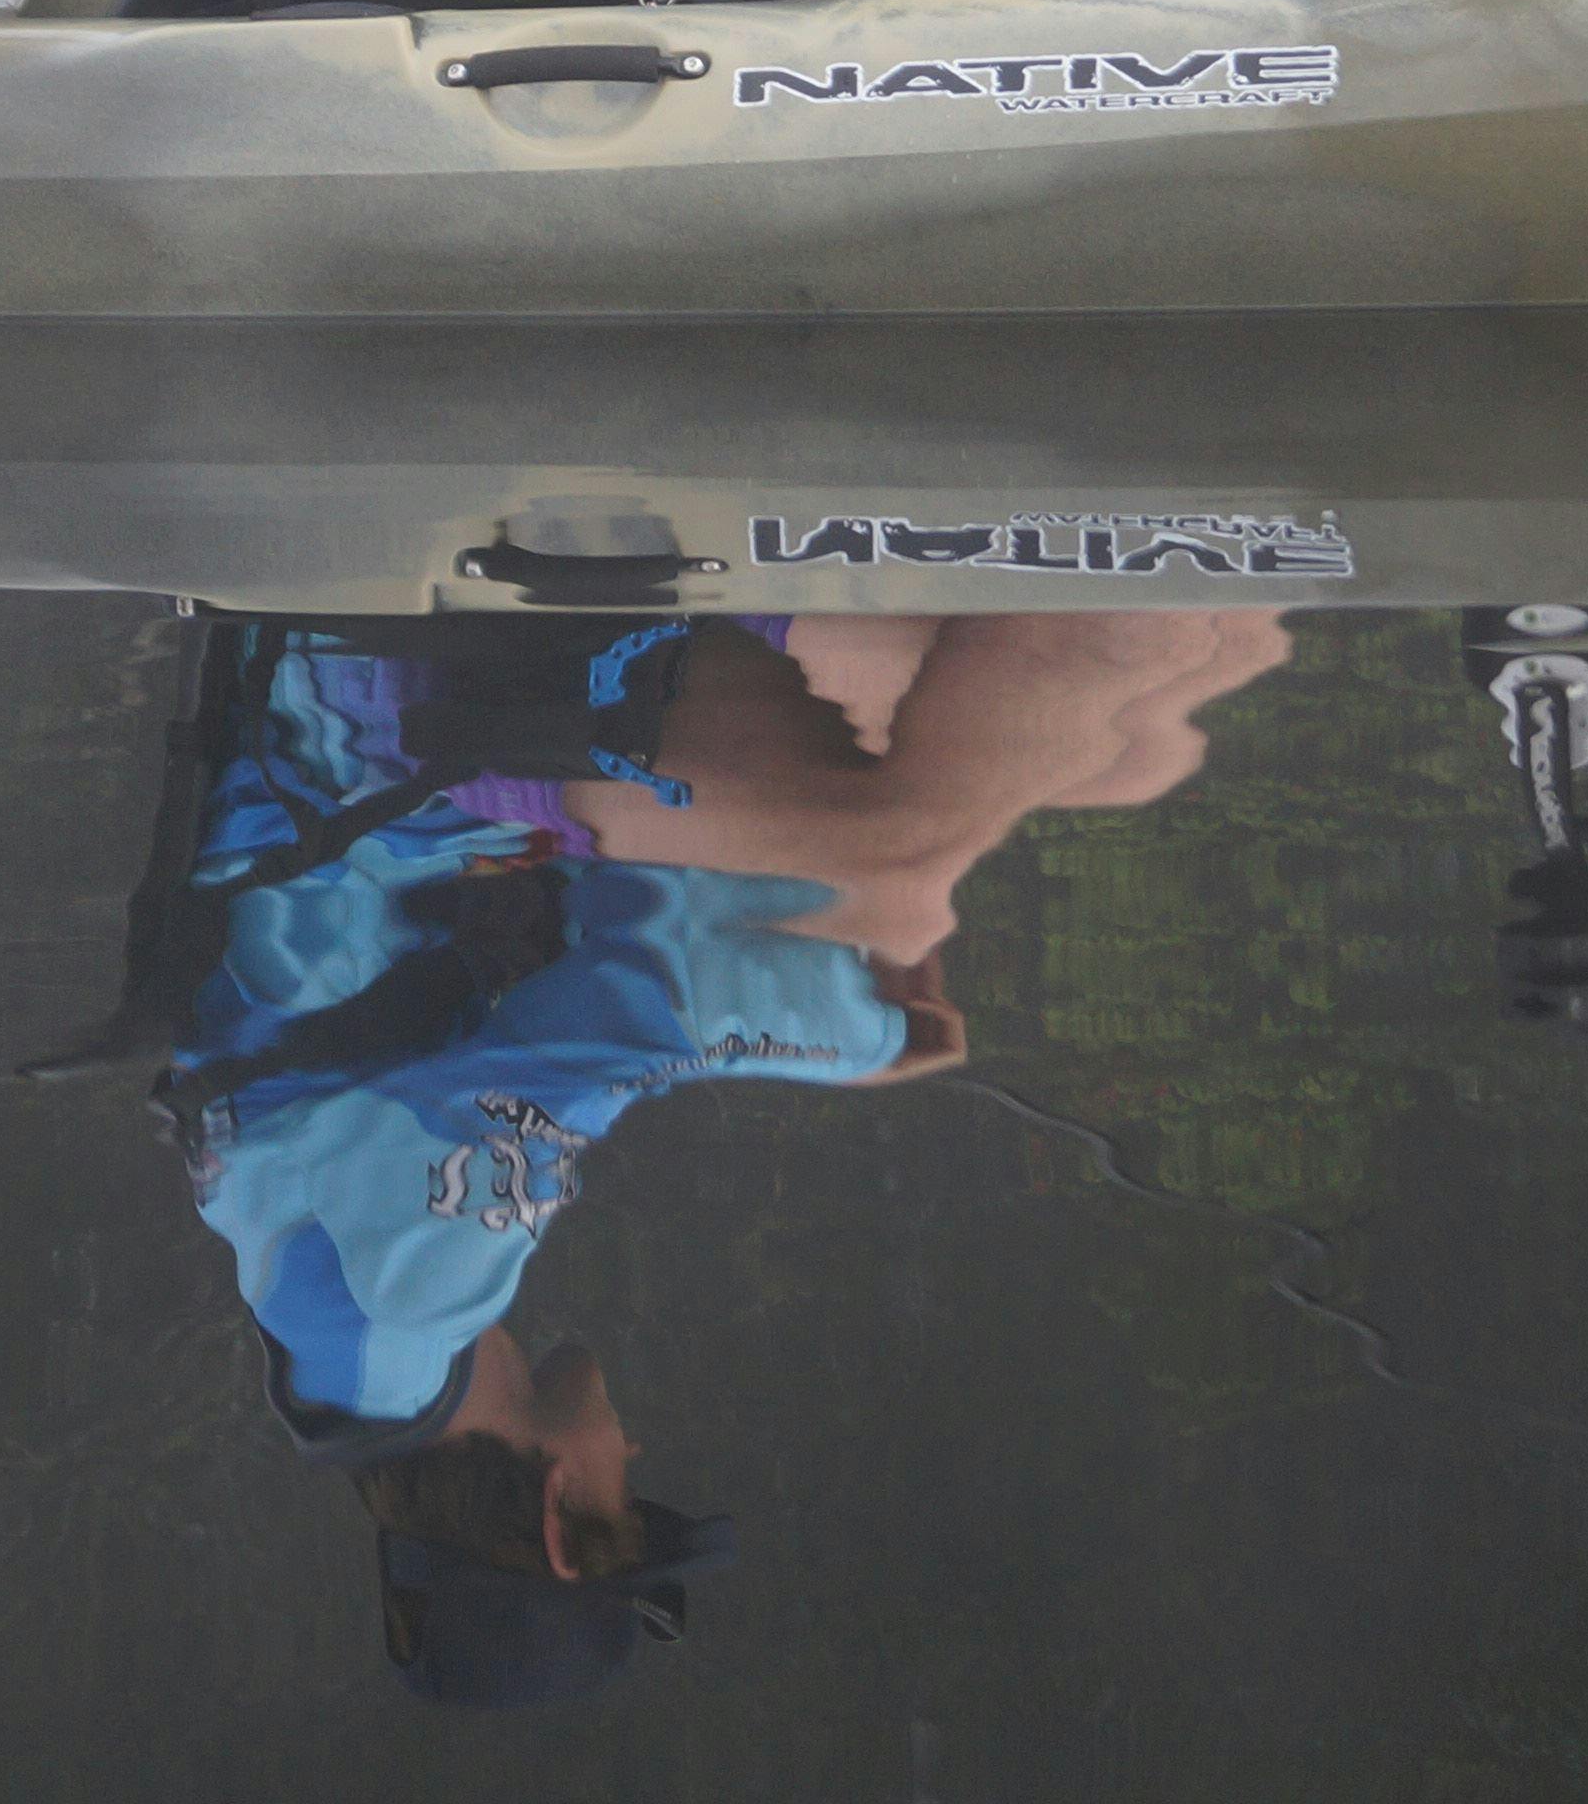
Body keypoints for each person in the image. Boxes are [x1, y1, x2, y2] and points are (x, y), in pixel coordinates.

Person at [137, 608, 1290, 1705]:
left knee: (900, 858)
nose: (629, 1445)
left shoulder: (396, 1315)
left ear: (562, 1517)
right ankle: (1160, 563)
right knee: (1118, 746)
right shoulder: (336, 1347)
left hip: (387, 723)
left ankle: (1146, 537)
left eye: (627, 1488)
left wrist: (866, 1028)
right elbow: (594, 980)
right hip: (427, 765)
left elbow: (623, 1010)